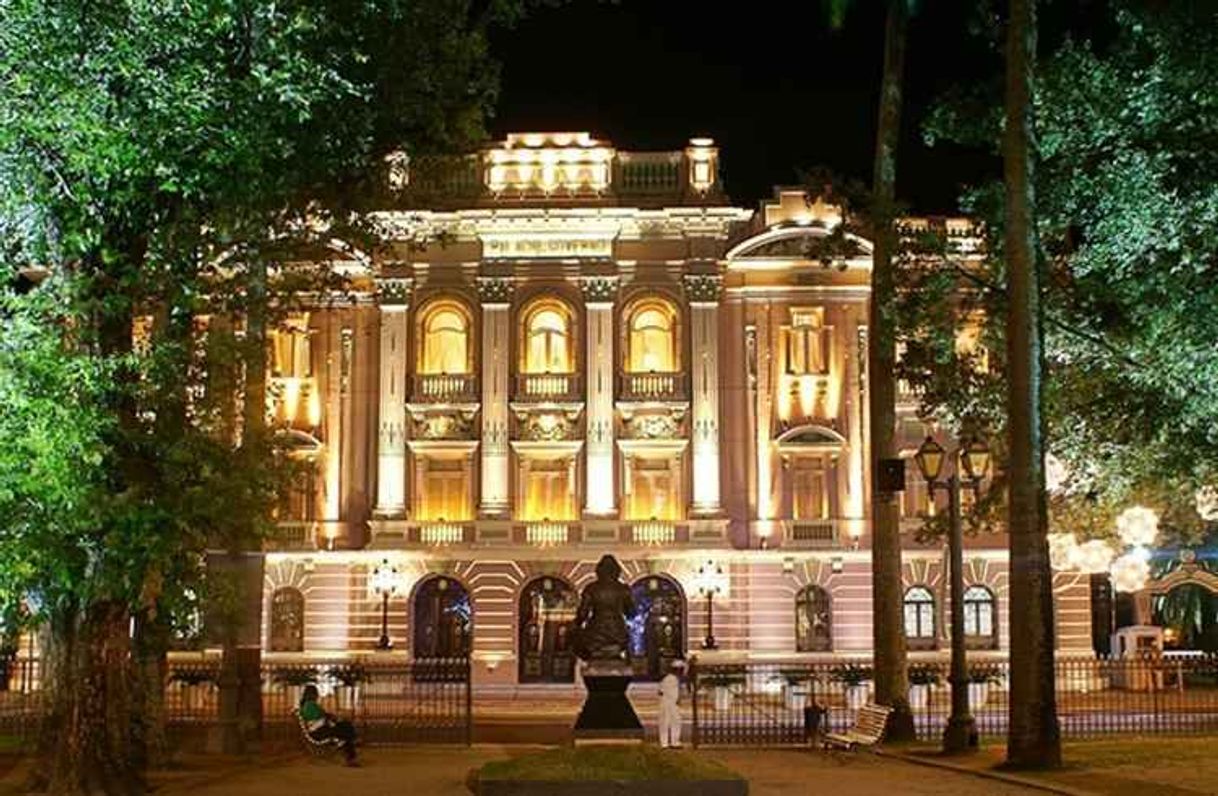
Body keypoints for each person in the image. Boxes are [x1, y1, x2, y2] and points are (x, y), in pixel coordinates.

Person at [298, 684, 359, 765]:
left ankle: (351, 751)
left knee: (345, 727)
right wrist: (330, 718)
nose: (318, 695)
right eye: (316, 693)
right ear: (313, 694)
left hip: (320, 730)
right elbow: (320, 717)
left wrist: (329, 717)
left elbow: (320, 716)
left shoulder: (306, 705)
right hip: (319, 732)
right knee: (345, 728)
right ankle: (351, 753)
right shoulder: (310, 705)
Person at [657, 660, 684, 749]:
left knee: (675, 721)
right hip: (667, 702)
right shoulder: (669, 678)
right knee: (665, 722)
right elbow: (660, 691)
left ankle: (674, 742)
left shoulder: (674, 678)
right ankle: (665, 743)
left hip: (672, 703)